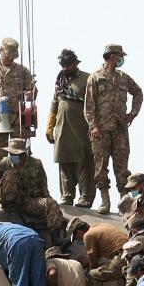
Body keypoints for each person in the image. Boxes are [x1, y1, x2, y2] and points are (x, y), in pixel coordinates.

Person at [84, 44, 143, 215]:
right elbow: (89, 106)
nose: (121, 59)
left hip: (120, 129)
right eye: (119, 56)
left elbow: (138, 92)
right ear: (111, 56)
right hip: (100, 131)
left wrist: (133, 113)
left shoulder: (123, 77)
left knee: (122, 167)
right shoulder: (95, 78)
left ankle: (124, 202)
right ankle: (105, 200)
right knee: (101, 166)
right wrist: (93, 126)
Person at [0, 37, 37, 166]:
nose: (10, 59)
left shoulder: (23, 71)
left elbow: (32, 91)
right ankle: (0, 178)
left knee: (19, 157)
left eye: (13, 57)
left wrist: (30, 95)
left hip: (17, 120)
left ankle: (16, 177)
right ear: (0, 51)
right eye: (8, 56)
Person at [46, 49, 94, 207]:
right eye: (63, 65)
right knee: (64, 163)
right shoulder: (60, 81)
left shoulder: (87, 79)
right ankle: (67, 196)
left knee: (84, 163)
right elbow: (55, 104)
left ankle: (85, 197)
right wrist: (50, 126)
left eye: (68, 65)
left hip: (82, 128)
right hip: (63, 130)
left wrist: (94, 126)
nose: (65, 68)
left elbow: (94, 104)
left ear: (75, 63)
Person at [0, 139, 66, 243]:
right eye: (11, 153)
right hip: (12, 201)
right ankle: (13, 212)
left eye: (15, 154)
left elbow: (43, 185)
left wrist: (52, 207)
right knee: (9, 174)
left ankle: (56, 239)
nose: (12, 156)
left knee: (51, 204)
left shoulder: (36, 163)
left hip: (30, 201)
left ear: (23, 154)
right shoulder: (6, 162)